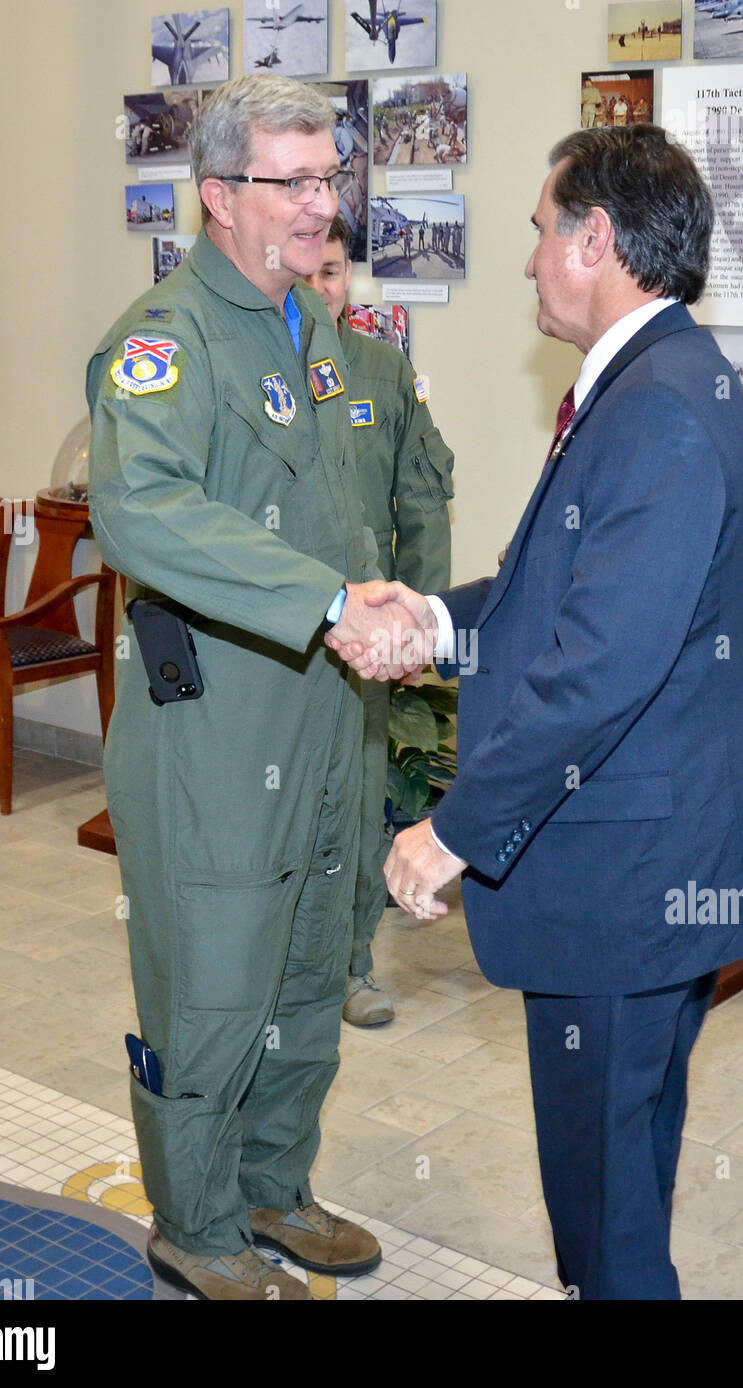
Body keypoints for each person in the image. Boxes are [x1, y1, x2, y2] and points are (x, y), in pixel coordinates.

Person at [331, 125, 743, 1300]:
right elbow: (565, 591)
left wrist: (447, 833)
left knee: (600, 1207)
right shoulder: (659, 381)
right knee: (626, 1161)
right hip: (669, 852)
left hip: (628, 872)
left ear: (597, 239)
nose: (530, 258)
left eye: (542, 229)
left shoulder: (651, 412)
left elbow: (596, 669)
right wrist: (436, 623)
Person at [86, 73, 428, 1302]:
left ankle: (275, 1189)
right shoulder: (162, 343)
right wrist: (334, 604)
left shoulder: (326, 334)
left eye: (328, 177)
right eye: (293, 181)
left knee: (303, 976)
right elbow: (143, 512)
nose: (318, 205)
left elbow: (357, 509)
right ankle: (196, 1221)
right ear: (219, 195)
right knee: (217, 984)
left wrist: (393, 608)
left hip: (331, 717)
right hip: (217, 726)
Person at [304, 215, 454, 1026]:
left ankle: (352, 967)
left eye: (333, 272)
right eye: (308, 272)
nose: (320, 288)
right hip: (274, 639)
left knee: (357, 803)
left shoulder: (381, 372)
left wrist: (425, 619)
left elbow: (423, 499)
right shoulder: (246, 374)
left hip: (362, 642)